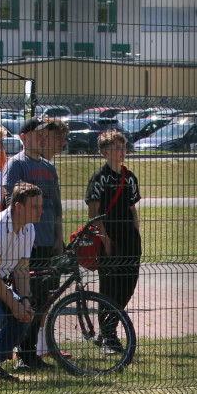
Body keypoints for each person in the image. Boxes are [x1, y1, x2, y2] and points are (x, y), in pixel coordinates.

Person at [2, 116, 65, 370]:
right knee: (27, 298)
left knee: (43, 299)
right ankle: (22, 355)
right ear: (23, 137)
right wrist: (25, 235)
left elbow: (57, 208)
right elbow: (11, 203)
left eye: (45, 134)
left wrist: (59, 238)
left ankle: (32, 353)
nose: (42, 137)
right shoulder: (16, 164)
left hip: (49, 242)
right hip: (29, 245)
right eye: (37, 133)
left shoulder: (49, 167)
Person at [0, 181, 43, 382]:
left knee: (26, 316)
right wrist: (15, 306)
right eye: (35, 207)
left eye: (41, 206)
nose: (41, 211)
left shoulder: (28, 228)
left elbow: (22, 269)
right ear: (18, 207)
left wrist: (24, 301)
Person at [85, 131, 141, 355]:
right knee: (109, 287)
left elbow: (132, 208)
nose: (122, 152)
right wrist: (104, 239)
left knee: (127, 285)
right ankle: (108, 335)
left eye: (123, 147)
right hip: (108, 239)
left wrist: (136, 234)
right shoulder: (100, 177)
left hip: (129, 239)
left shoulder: (129, 177)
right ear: (104, 151)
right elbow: (93, 213)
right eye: (116, 147)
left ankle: (108, 329)